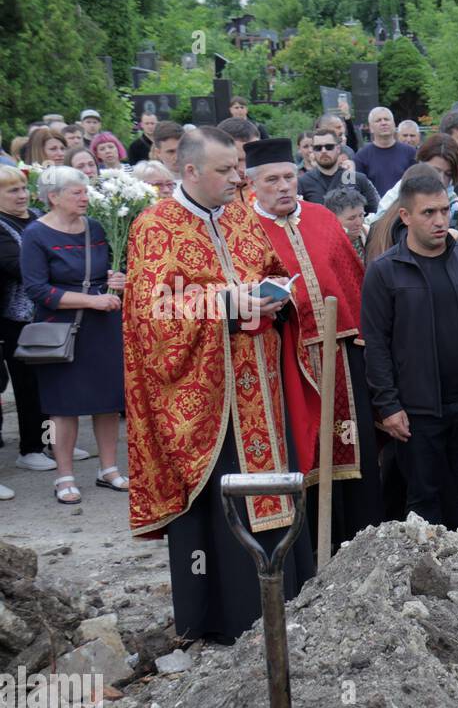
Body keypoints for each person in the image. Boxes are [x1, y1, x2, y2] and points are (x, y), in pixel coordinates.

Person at [122, 126, 313, 643]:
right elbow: (151, 313)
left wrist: (277, 295)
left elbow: (272, 270)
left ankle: (288, 602)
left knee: (276, 490)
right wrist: (227, 306)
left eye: (238, 167)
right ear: (189, 171)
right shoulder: (155, 226)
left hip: (262, 386)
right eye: (225, 170)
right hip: (208, 400)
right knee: (225, 503)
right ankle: (228, 622)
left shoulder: (242, 217)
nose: (238, 178)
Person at [361, 172, 458, 547]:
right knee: (424, 498)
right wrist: (388, 405)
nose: (439, 220)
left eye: (445, 211)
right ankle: (430, 583)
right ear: (405, 216)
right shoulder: (384, 271)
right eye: (428, 212)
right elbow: (376, 345)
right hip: (417, 409)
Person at [244, 139, 385, 549]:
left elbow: (353, 284)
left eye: (289, 177)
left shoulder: (323, 218)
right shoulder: (245, 229)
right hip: (288, 360)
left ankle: (360, 543)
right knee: (303, 452)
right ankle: (308, 551)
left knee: (353, 449)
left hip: (343, 357)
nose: (284, 186)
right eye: (273, 180)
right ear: (254, 185)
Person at [20, 167, 127, 504]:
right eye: (77, 193)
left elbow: (106, 267)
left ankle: (108, 469)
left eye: (85, 192)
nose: (85, 198)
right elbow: (37, 289)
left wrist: (117, 279)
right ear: (53, 196)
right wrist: (91, 300)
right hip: (61, 327)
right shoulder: (36, 235)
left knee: (109, 402)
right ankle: (63, 475)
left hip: (103, 325)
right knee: (61, 407)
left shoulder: (94, 226)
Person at [0, 165, 54, 478]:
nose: (21, 196)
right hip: (16, 319)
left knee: (53, 384)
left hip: (48, 313)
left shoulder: (36, 216)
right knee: (28, 386)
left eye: (22, 188)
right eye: (12, 191)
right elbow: (16, 265)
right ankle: (30, 448)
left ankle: (52, 443)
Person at [298, 129, 381, 215]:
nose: (323, 151)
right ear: (313, 151)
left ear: (338, 149)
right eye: (318, 148)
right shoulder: (303, 182)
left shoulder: (357, 179)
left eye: (329, 147)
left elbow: (376, 212)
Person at [355, 106, 418, 198]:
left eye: (387, 119)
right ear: (371, 128)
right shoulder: (361, 156)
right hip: (375, 209)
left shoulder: (410, 152)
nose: (383, 123)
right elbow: (357, 189)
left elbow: (418, 184)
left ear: (393, 124)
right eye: (378, 120)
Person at [325, 186, 369, 261]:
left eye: (361, 215)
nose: (359, 223)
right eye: (352, 218)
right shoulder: (325, 244)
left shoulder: (368, 233)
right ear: (333, 218)